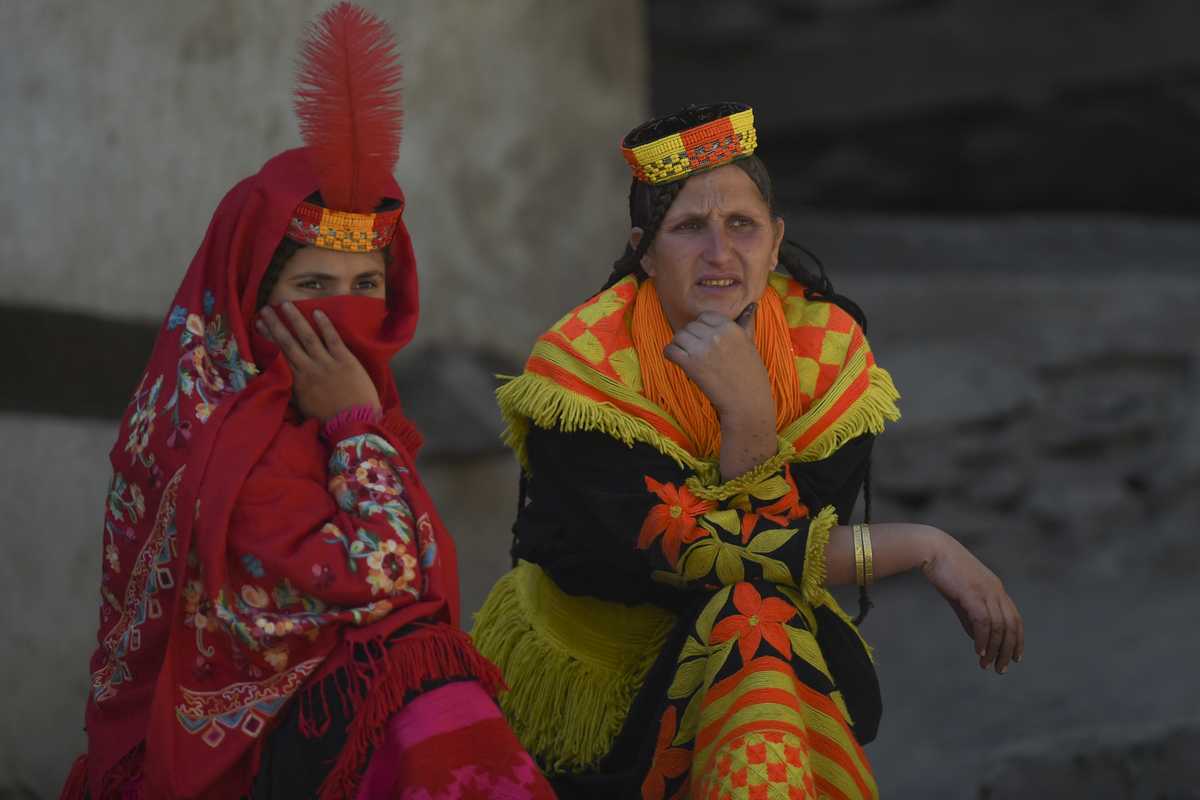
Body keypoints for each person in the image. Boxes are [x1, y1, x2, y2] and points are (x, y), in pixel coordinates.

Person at [60, 5, 552, 799]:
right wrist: (356, 427)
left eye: (367, 286)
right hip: (236, 758)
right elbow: (390, 578)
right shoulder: (222, 435)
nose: (346, 312)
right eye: (312, 287)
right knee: (429, 693)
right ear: (252, 295)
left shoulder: (328, 411)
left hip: (314, 724)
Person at [471, 102, 1024, 799]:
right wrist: (918, 542)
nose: (719, 254)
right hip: (603, 675)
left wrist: (750, 417)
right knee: (753, 623)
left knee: (757, 625)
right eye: (688, 228)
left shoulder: (825, 353)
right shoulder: (584, 370)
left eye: (742, 225)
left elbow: (773, 566)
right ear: (643, 249)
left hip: (756, 649)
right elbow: (699, 558)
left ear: (776, 239)